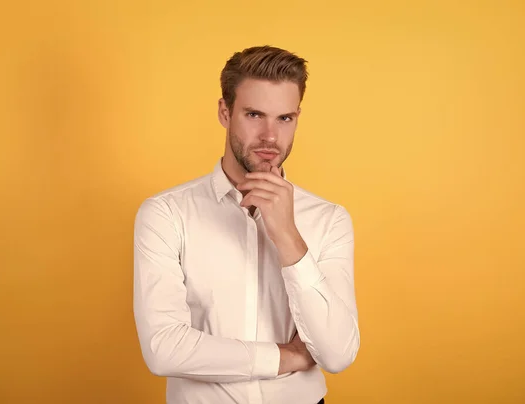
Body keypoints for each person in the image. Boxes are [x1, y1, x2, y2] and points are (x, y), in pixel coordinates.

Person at [133, 45, 360, 404]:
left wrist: (287, 235)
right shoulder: (166, 214)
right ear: (225, 112)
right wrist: (288, 357)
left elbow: (338, 353)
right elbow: (163, 348)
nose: (270, 136)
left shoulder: (328, 220)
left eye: (285, 118)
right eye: (255, 114)